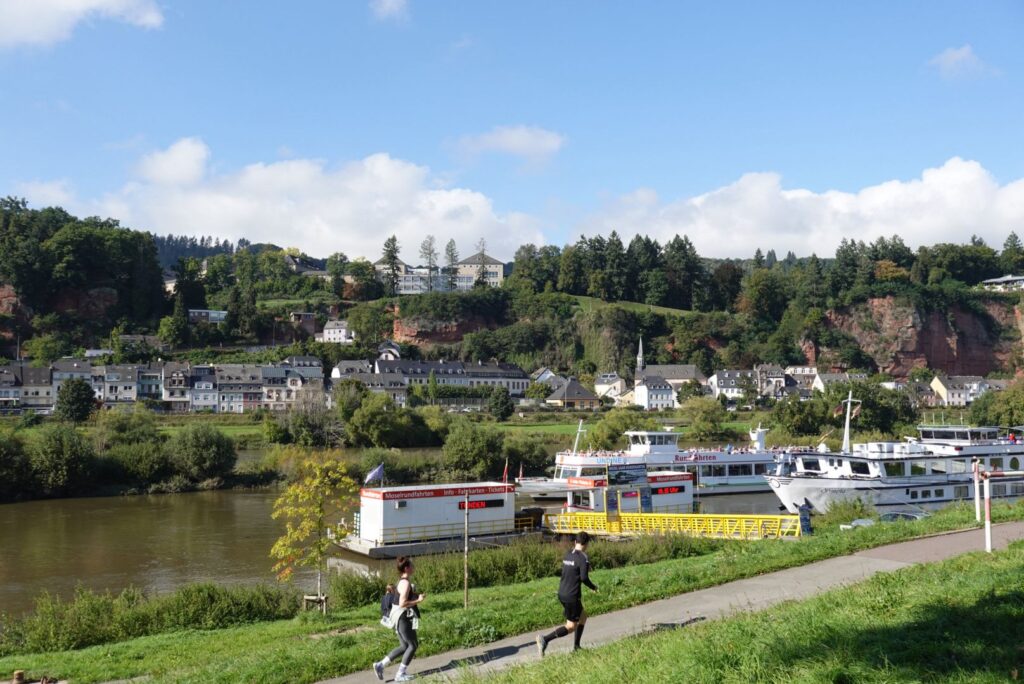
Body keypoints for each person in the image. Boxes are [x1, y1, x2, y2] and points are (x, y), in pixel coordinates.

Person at [536, 531, 598, 656]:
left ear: (575, 542)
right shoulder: (583, 558)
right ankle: (545, 639)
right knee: (570, 626)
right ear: (586, 544)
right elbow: (584, 578)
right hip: (572, 596)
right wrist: (593, 587)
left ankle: (577, 647)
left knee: (583, 616)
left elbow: (572, 570)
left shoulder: (568, 554)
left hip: (562, 592)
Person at [373, 557, 425, 682]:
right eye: (411, 565)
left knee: (404, 646)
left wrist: (415, 595)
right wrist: (418, 600)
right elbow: (402, 603)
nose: (413, 567)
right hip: (402, 617)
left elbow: (401, 599)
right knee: (412, 645)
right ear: (406, 568)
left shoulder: (401, 581)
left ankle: (380, 665)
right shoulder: (406, 583)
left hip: (396, 617)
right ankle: (400, 674)